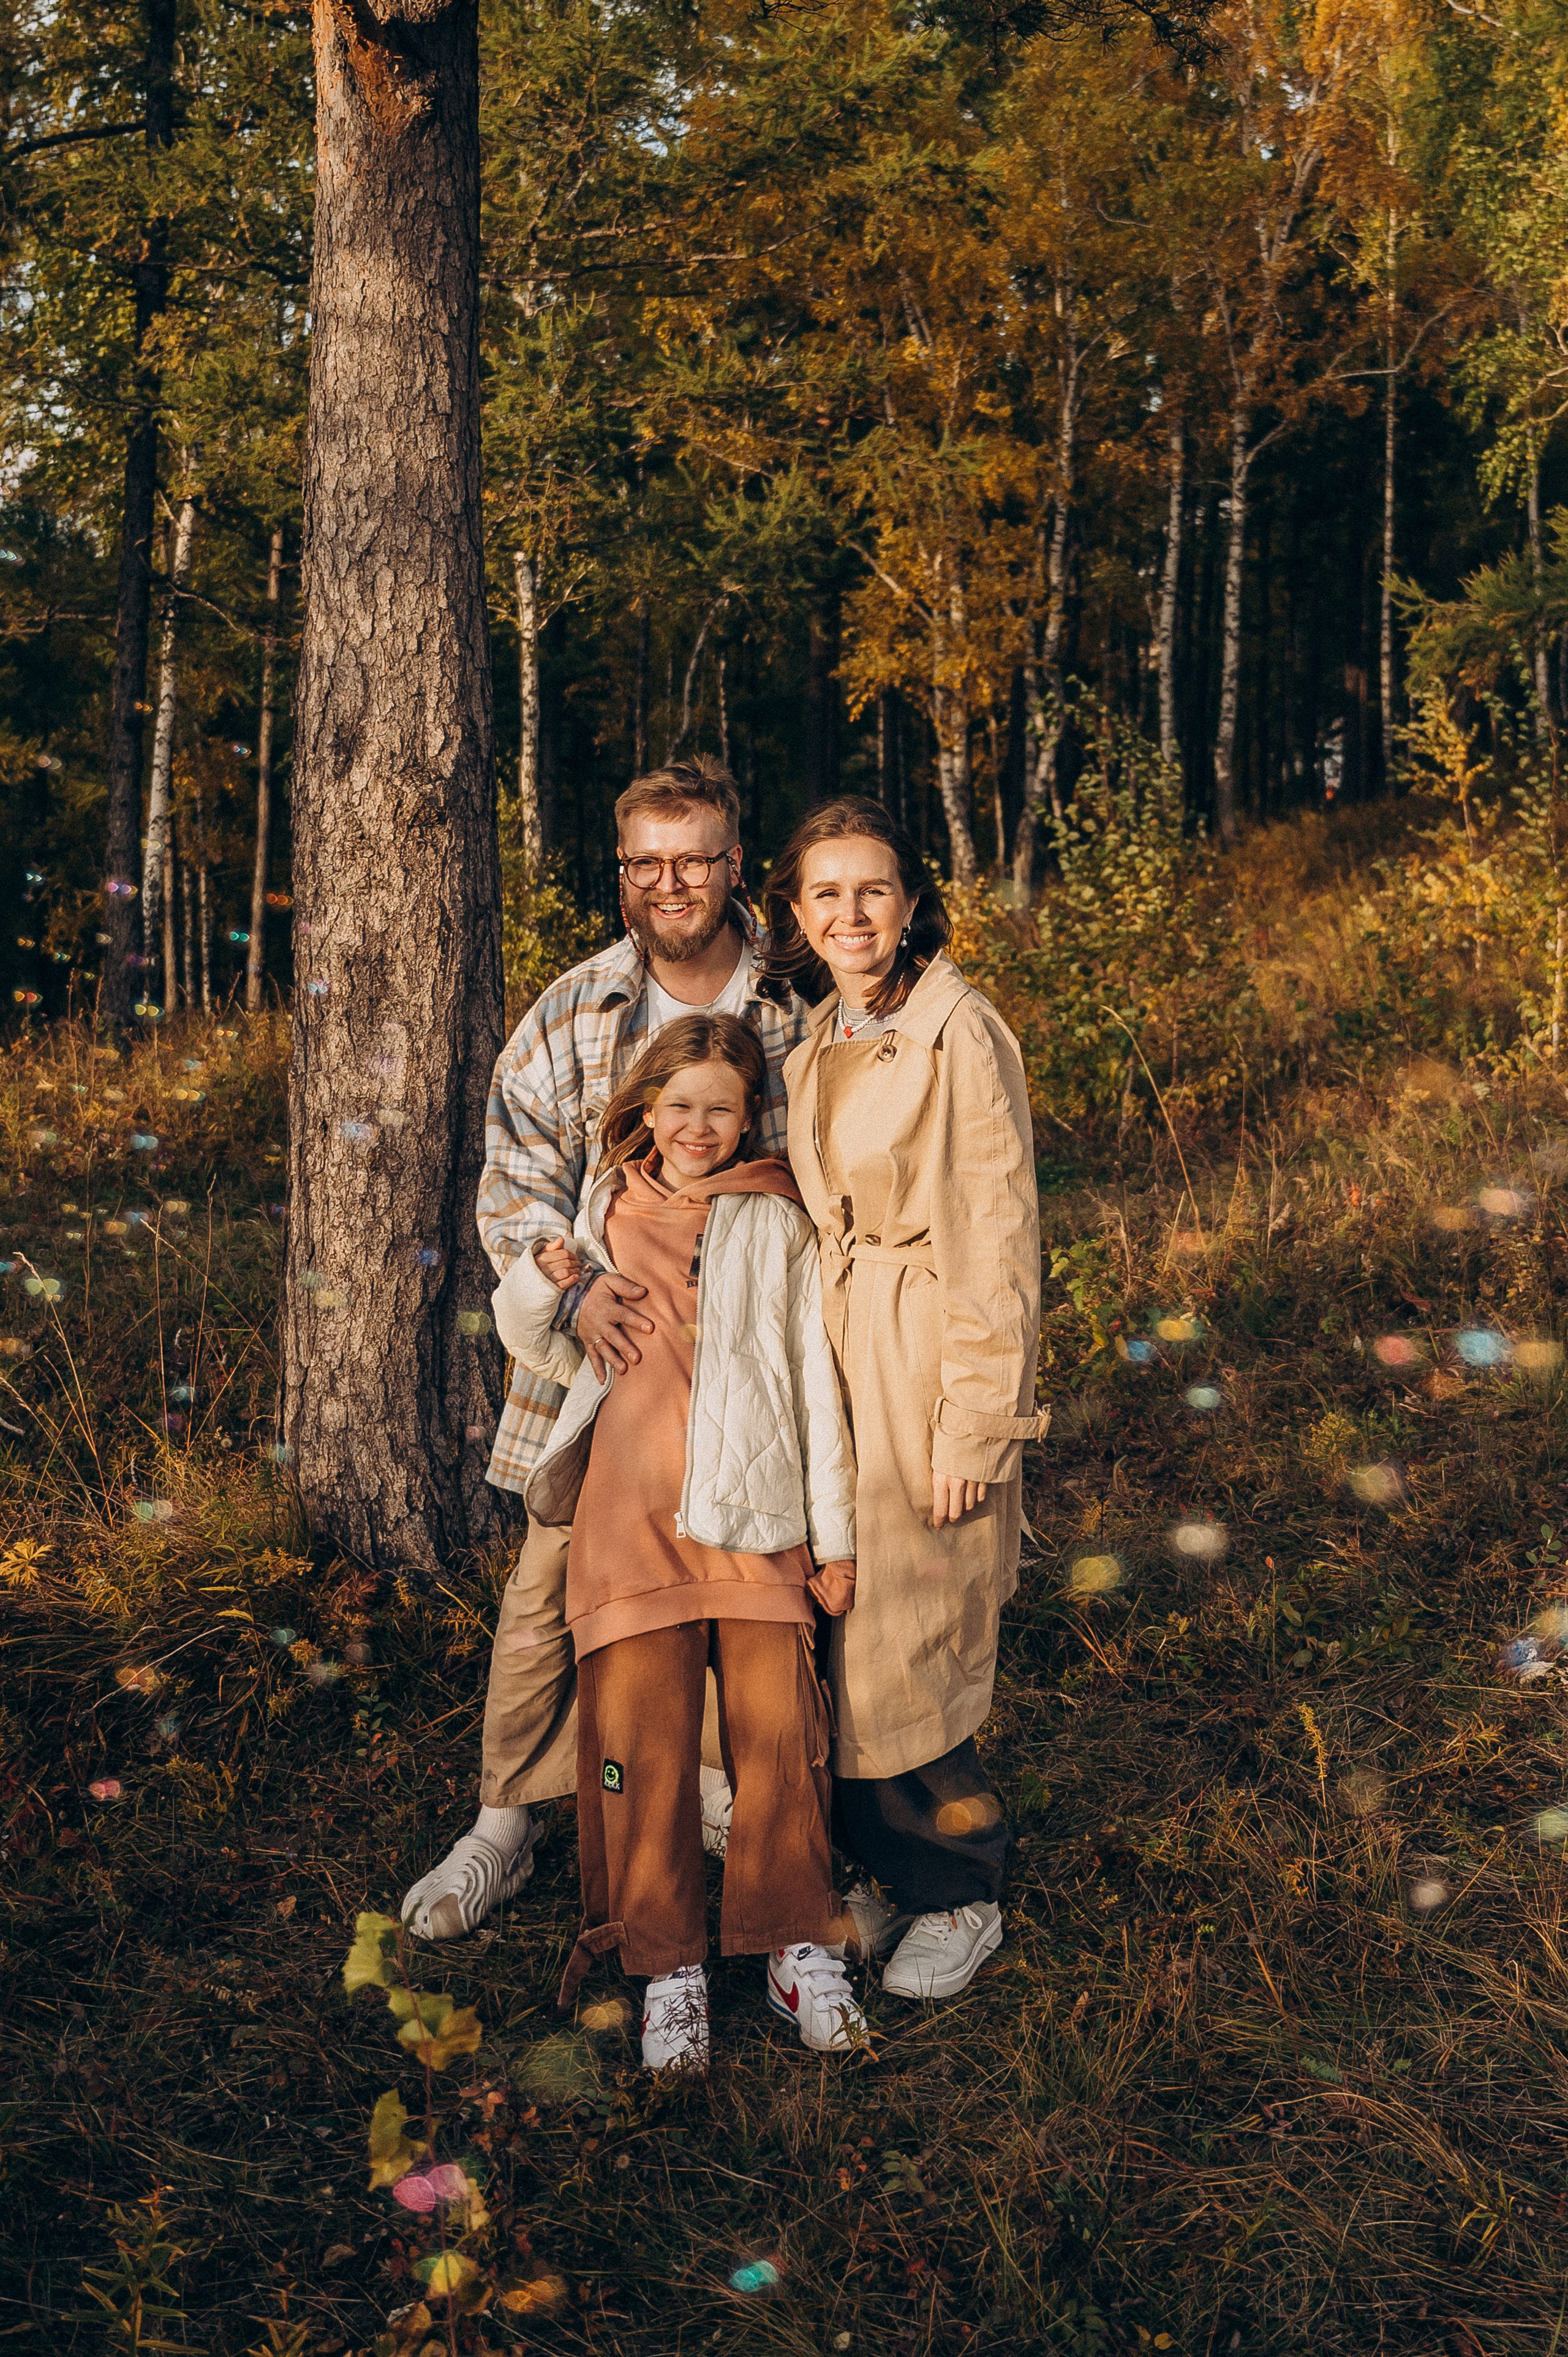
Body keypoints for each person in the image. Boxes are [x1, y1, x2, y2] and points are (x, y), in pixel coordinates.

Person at [401, 757, 806, 1942]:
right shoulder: (574, 1008)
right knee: (546, 1600)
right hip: (606, 1374)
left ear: (736, 864)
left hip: (750, 1371)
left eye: (694, 859)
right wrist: (571, 1291)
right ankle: (503, 1824)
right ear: (621, 875)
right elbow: (515, 1177)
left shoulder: (797, 999)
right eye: (646, 863)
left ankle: (733, 1806)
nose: (670, 882)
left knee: (752, 1593)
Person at [499, 1012, 863, 2070]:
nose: (698, 1126)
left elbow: (814, 1393)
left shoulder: (777, 1219)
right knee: (642, 1751)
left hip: (760, 1527)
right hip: (629, 1526)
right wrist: (564, 1286)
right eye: (678, 1106)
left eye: (721, 1108)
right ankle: (670, 1967)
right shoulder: (606, 1205)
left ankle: (798, 1946)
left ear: (751, 1117)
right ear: (644, 1111)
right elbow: (531, 1333)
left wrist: (831, 1540)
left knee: (782, 1744)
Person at [764, 797, 1048, 2002]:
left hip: (923, 1352)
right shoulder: (817, 1032)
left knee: (914, 1626)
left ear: (910, 902)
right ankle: (878, 1866)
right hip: (837, 1348)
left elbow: (997, 1236)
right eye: (825, 894)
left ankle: (962, 1889)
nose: (850, 914)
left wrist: (974, 1421)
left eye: (871, 890)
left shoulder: (956, 1032)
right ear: (795, 911)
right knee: (841, 1625)